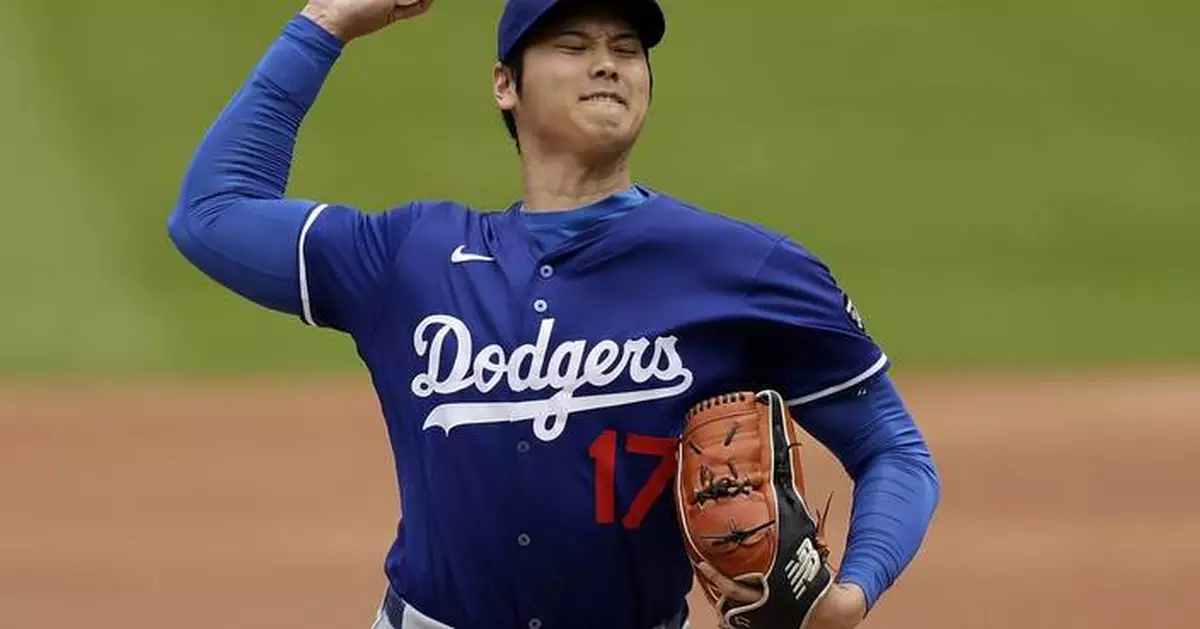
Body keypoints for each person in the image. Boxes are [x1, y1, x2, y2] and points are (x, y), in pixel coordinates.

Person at [166, 1, 941, 628]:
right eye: (571, 43)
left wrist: (853, 591)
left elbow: (895, 450)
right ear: (506, 83)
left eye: (627, 47)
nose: (607, 60)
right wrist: (325, 22)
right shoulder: (409, 256)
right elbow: (211, 213)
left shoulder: (744, 268)